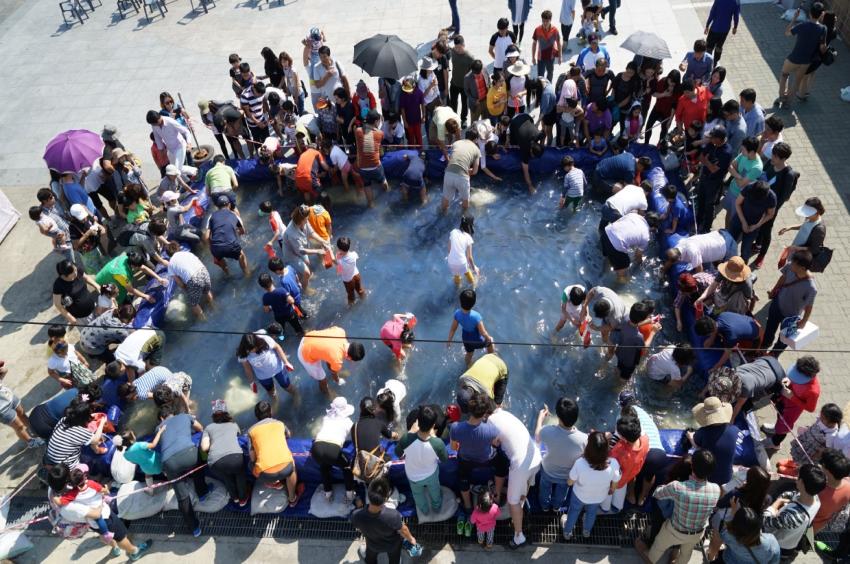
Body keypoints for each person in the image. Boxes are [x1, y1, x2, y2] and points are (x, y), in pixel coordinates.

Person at [46, 464, 152, 561]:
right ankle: (134, 552)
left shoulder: (55, 490)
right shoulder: (69, 506)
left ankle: (114, 548)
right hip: (104, 517)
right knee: (120, 536)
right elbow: (96, 513)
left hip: (91, 522)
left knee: (104, 533)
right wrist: (100, 501)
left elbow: (59, 500)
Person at [645, 449, 721, 564]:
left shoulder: (677, 487)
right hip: (697, 533)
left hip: (674, 531)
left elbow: (657, 494)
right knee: (686, 554)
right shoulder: (716, 489)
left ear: (692, 466)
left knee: (658, 548)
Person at [450, 391, 507, 530]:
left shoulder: (456, 427)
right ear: (485, 413)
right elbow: (496, 444)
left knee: (462, 476)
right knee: (502, 464)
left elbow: (454, 446)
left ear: (469, 409)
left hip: (466, 459)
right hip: (487, 458)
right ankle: (497, 496)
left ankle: (468, 506)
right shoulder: (491, 429)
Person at [488, 406, 542, 549]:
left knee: (512, 502)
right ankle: (522, 501)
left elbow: (494, 443)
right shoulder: (504, 413)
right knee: (523, 488)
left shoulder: (489, 422)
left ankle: (519, 536)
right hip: (536, 457)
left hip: (520, 466)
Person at [560, 431, 620, 540]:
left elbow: (570, 482)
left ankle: (567, 532)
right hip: (598, 497)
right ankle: (586, 531)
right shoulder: (614, 463)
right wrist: (611, 489)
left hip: (579, 496)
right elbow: (615, 484)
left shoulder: (580, 463)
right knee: (591, 513)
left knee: (573, 512)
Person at [763, 463, 826, 562]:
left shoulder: (792, 516)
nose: (796, 477)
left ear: (801, 481)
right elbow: (795, 495)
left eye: (798, 476)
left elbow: (766, 521)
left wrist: (776, 503)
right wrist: (783, 498)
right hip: (791, 542)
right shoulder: (816, 500)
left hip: (779, 546)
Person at [535, 397, 588, 512]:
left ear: (558, 417)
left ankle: (544, 506)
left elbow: (537, 437)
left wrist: (540, 419)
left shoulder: (547, 431)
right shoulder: (584, 439)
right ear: (576, 417)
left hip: (548, 470)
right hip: (567, 475)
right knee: (562, 492)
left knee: (544, 489)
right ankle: (556, 507)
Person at [350, 478, 419, 564]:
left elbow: (358, 526)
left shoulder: (356, 515)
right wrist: (411, 539)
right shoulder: (393, 515)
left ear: (368, 494)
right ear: (386, 498)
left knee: (370, 556)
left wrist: (360, 508)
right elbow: (403, 529)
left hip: (372, 544)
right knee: (394, 558)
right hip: (392, 545)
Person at [753, 143, 800, 269]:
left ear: (783, 159)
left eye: (775, 156)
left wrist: (770, 211)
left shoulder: (788, 174)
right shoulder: (770, 163)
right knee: (758, 226)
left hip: (771, 208)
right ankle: (757, 244)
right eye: (773, 154)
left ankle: (761, 255)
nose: (772, 157)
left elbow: (783, 197)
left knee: (766, 230)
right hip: (760, 202)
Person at [395, 405, 448, 516]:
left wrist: (410, 433)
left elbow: (397, 453)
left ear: (417, 422)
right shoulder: (438, 443)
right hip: (431, 475)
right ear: (433, 426)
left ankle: (424, 509)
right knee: (435, 491)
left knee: (417, 494)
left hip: (413, 476)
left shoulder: (406, 438)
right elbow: (445, 459)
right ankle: (437, 507)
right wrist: (434, 437)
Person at [247, 401, 303, 507]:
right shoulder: (280, 424)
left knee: (251, 464)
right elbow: (288, 435)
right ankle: (292, 499)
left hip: (265, 473)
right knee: (292, 467)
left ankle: (272, 483)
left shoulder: (251, 431)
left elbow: (252, 456)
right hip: (286, 468)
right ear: (271, 412)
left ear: (256, 416)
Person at [762, 250, 818, 355]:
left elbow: (809, 307)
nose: (790, 263)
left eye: (794, 263)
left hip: (790, 317)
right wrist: (774, 291)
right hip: (777, 306)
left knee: (784, 340)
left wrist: (803, 322)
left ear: (802, 268)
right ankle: (764, 345)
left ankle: (774, 354)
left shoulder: (811, 288)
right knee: (770, 328)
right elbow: (782, 278)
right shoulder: (789, 267)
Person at [200, 400, 248, 506]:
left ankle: (234, 497)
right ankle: (243, 499)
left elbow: (204, 447)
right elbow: (239, 436)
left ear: (213, 415)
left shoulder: (208, 427)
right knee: (240, 474)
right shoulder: (233, 425)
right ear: (227, 413)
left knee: (226, 477)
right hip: (235, 458)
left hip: (216, 462)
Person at [778, 2, 828, 104]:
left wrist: (794, 18)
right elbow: (823, 48)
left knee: (784, 75)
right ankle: (788, 102)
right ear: (822, 14)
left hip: (793, 58)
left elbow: (787, 33)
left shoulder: (802, 25)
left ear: (810, 13)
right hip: (806, 62)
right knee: (796, 82)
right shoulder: (823, 29)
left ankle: (781, 97)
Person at [766, 355, 821, 449]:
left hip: (792, 411)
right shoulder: (800, 373)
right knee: (779, 418)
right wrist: (788, 381)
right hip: (784, 401)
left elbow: (811, 409)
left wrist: (792, 397)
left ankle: (775, 443)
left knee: (783, 428)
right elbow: (792, 378)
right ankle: (776, 428)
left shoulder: (813, 391)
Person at [311, 397, 357, 503]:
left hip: (316, 449)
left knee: (324, 466)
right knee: (346, 468)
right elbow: (352, 437)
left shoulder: (326, 418)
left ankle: (328, 494)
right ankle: (349, 494)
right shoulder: (348, 422)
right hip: (332, 450)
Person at [298, 326, 365, 396]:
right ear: (349, 357)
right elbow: (334, 375)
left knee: (331, 360)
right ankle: (326, 392)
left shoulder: (341, 331)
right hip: (304, 353)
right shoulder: (337, 360)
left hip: (307, 337)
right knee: (322, 378)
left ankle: (333, 370)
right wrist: (338, 380)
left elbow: (330, 351)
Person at [688, 397, 739, 485]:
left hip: (708, 478)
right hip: (727, 476)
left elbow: (696, 445)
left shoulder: (703, 432)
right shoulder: (734, 429)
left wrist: (690, 437)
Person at [237, 332, 296, 408]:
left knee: (287, 386)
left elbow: (277, 347)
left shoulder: (265, 340)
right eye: (249, 350)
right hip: (263, 376)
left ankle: (295, 394)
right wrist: (251, 382)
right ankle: (275, 401)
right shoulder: (243, 353)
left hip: (277, 368)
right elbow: (247, 368)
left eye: (254, 348)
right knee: (271, 392)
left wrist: (286, 362)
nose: (252, 351)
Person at [45, 398, 106, 468]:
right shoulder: (80, 432)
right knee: (85, 467)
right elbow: (95, 439)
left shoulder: (63, 420)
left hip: (50, 455)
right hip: (63, 465)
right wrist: (102, 423)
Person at [282, 205, 332, 292]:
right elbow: (301, 251)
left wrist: (323, 241)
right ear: (301, 220)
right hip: (291, 254)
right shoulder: (291, 233)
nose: (308, 219)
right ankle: (305, 289)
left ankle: (305, 278)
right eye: (306, 218)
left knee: (307, 263)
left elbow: (312, 233)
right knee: (306, 272)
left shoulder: (304, 220)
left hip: (300, 248)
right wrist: (317, 251)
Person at [695, 126, 734, 233]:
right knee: (701, 200)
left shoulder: (726, 152)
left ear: (719, 139)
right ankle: (698, 221)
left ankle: (706, 227)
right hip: (704, 177)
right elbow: (700, 158)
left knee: (709, 205)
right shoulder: (712, 143)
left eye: (712, 137)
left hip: (714, 182)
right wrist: (707, 162)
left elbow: (713, 170)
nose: (710, 139)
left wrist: (706, 162)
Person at [695, 312, 762, 373]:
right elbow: (713, 331)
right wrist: (710, 340)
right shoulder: (721, 315)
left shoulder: (730, 336)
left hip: (756, 333)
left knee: (747, 357)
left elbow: (726, 354)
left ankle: (752, 353)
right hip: (748, 320)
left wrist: (715, 367)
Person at [601, 211, 657, 283]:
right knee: (625, 264)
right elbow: (638, 255)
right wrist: (641, 263)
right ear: (653, 228)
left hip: (606, 233)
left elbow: (618, 223)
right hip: (615, 245)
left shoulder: (633, 215)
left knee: (609, 256)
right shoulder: (646, 236)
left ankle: (606, 269)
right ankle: (619, 284)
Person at [0, 361, 45, 449]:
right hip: (2, 409)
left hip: (10, 397)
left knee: (23, 414)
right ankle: (30, 442)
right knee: (19, 426)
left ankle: (35, 430)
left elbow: (5, 370)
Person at [447, 289, 496, 367]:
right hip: (476, 340)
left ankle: (468, 364)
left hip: (466, 339)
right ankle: (492, 358)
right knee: (490, 341)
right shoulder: (476, 316)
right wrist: (488, 338)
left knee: (469, 353)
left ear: (460, 302)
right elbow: (482, 332)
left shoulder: (457, 314)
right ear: (474, 303)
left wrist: (449, 340)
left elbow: (453, 329)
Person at [164, 242, 214, 320]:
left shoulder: (171, 264)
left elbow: (179, 283)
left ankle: (203, 319)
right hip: (204, 271)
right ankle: (214, 306)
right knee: (206, 291)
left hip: (193, 278)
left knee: (194, 304)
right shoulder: (188, 253)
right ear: (178, 247)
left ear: (168, 254)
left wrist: (187, 290)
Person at [725, 136, 764, 229]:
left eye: (743, 150)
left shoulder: (756, 168)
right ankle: (726, 230)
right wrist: (739, 176)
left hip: (740, 197)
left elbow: (741, 184)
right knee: (728, 213)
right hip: (731, 190)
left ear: (752, 152)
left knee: (734, 220)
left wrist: (734, 173)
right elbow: (730, 166)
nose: (741, 151)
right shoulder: (744, 154)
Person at [776, 197, 826, 268]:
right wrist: (790, 227)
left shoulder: (819, 230)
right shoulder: (810, 218)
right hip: (795, 250)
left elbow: (814, 249)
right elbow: (805, 226)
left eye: (808, 213)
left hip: (801, 259)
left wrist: (797, 248)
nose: (806, 215)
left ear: (816, 212)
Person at [812, 449, 850, 533]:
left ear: (829, 472)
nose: (819, 465)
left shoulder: (819, 492)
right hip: (820, 525)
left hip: (809, 523)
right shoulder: (848, 484)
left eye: (822, 465)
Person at [52, 259, 99, 325]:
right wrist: (69, 317)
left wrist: (96, 286)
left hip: (93, 306)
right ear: (65, 275)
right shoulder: (58, 285)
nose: (76, 273)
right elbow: (58, 304)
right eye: (73, 272)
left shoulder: (77, 270)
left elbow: (86, 278)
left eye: (76, 270)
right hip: (81, 316)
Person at [440, 135, 480, 212]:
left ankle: (443, 214)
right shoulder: (476, 149)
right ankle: (463, 216)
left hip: (448, 173)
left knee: (445, 199)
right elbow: (475, 171)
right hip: (462, 177)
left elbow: (453, 158)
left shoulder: (456, 143)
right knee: (465, 201)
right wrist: (467, 171)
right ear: (476, 139)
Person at [509, 112, 545, 194]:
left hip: (526, 116)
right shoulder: (524, 148)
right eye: (533, 156)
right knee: (513, 143)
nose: (532, 157)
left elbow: (544, 135)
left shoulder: (538, 135)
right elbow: (525, 170)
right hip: (514, 122)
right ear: (531, 150)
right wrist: (530, 186)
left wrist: (542, 145)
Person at [355, 110, 388, 195]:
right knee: (383, 180)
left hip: (362, 167)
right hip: (375, 166)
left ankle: (370, 204)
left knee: (367, 184)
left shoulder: (358, 131)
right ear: (376, 121)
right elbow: (381, 153)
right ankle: (387, 193)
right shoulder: (380, 133)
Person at [446, 215, 479, 286]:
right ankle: (473, 286)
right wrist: (474, 268)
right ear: (470, 226)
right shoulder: (468, 238)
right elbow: (469, 257)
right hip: (462, 264)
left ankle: (457, 286)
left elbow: (449, 249)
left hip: (450, 263)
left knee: (456, 274)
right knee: (467, 271)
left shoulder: (453, 232)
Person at [335, 236, 366, 306]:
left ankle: (351, 306)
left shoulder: (340, 261)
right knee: (360, 289)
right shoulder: (354, 254)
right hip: (356, 275)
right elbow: (353, 257)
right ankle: (364, 298)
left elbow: (339, 272)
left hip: (348, 280)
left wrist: (337, 259)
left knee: (351, 295)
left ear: (339, 249)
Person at [531, 11, 561, 82]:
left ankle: (548, 87)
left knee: (550, 74)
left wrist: (560, 56)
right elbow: (534, 43)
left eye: (547, 21)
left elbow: (559, 43)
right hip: (540, 57)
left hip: (551, 57)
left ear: (550, 20)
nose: (545, 23)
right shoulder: (537, 30)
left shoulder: (555, 30)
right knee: (540, 76)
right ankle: (541, 89)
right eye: (543, 21)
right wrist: (533, 57)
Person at [399, 77, 426, 147]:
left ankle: (420, 151)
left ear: (414, 87)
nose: (408, 92)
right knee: (411, 138)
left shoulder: (419, 93)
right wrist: (404, 121)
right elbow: (402, 109)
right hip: (408, 121)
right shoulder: (403, 95)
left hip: (417, 120)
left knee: (418, 136)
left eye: (409, 90)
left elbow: (422, 104)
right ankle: (411, 152)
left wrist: (423, 116)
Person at [464, 60, 490, 124]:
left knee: (485, 122)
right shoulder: (467, 78)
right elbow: (466, 91)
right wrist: (473, 100)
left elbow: (488, 81)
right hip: (475, 104)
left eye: (477, 73)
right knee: (474, 123)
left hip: (485, 101)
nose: (476, 75)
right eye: (474, 73)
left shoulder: (484, 69)